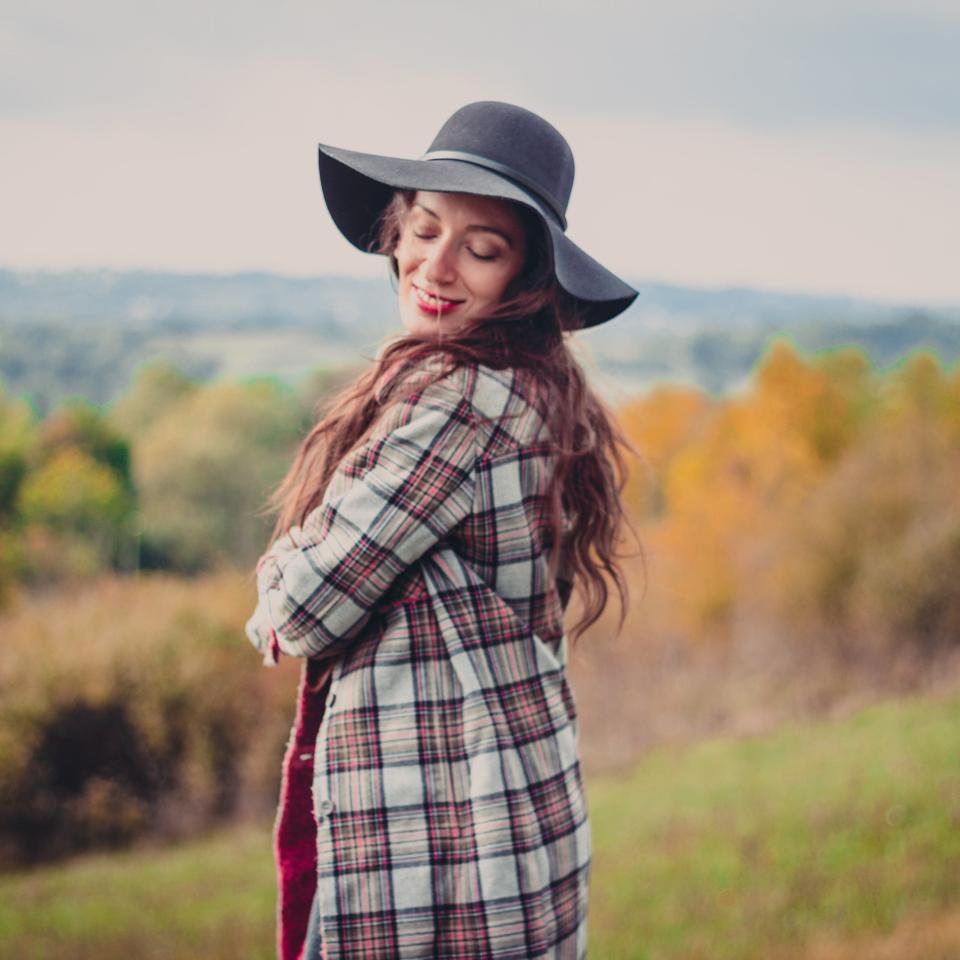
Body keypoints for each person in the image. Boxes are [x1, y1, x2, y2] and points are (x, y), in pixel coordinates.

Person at [245, 100, 640, 960]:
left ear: (526, 278)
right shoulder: (534, 389)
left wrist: (276, 578)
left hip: (442, 847)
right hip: (505, 824)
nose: (437, 265)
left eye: (483, 248)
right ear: (395, 230)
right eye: (425, 229)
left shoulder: (460, 399)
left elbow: (303, 608)